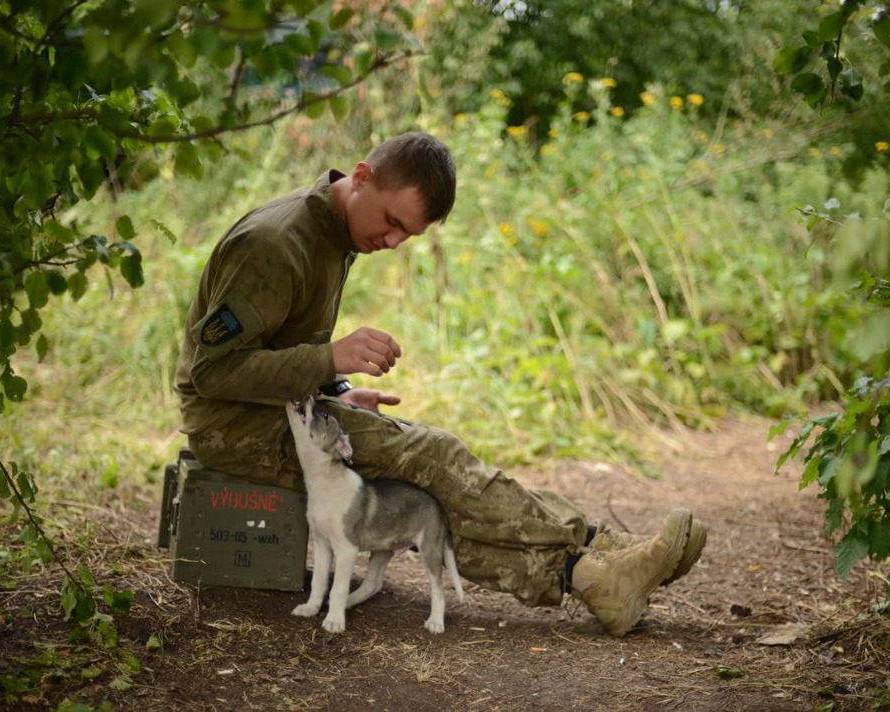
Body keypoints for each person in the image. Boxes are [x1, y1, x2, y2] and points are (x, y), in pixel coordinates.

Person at [174, 131, 706, 636]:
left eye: (408, 233)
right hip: (232, 426)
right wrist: (329, 358)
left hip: (278, 409)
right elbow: (212, 372)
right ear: (361, 176)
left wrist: (334, 392)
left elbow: (273, 350)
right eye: (391, 222)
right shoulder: (276, 242)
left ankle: (595, 570)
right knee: (432, 455)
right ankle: (591, 553)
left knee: (424, 479)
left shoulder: (332, 231)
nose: (394, 241)